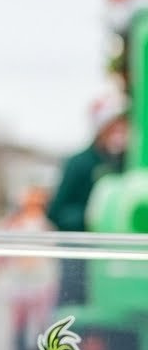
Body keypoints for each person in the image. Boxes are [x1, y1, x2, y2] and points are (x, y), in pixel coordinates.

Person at [46, 91, 128, 304]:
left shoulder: (127, 164)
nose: (119, 132)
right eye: (114, 126)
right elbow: (56, 211)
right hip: (81, 259)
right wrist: (92, 217)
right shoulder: (79, 163)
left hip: (118, 262)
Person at [1, 185, 57, 350]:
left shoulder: (45, 225)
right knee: (20, 321)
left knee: (40, 322)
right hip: (20, 280)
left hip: (40, 280)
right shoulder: (15, 224)